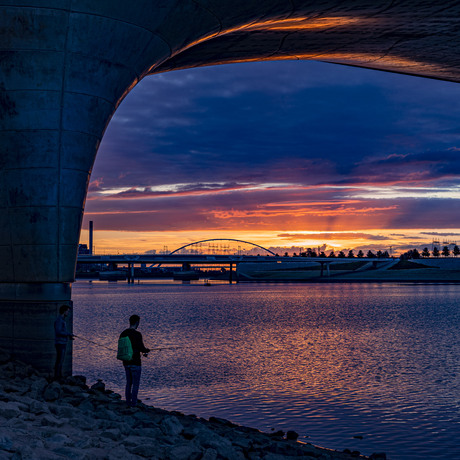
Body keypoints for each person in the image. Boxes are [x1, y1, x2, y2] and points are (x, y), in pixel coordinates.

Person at [120, 314, 150, 407]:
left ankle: (128, 402)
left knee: (128, 383)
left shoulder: (123, 333)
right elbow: (142, 348)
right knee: (135, 384)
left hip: (126, 362)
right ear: (137, 322)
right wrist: (146, 351)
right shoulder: (137, 334)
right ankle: (133, 404)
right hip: (136, 363)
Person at [54, 304, 74, 380]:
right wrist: (68, 334)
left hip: (62, 342)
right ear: (64, 311)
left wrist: (69, 336)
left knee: (60, 360)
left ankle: (59, 375)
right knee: (59, 360)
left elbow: (62, 331)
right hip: (60, 343)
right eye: (67, 311)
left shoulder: (61, 320)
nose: (68, 313)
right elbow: (58, 332)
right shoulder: (59, 320)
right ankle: (57, 376)